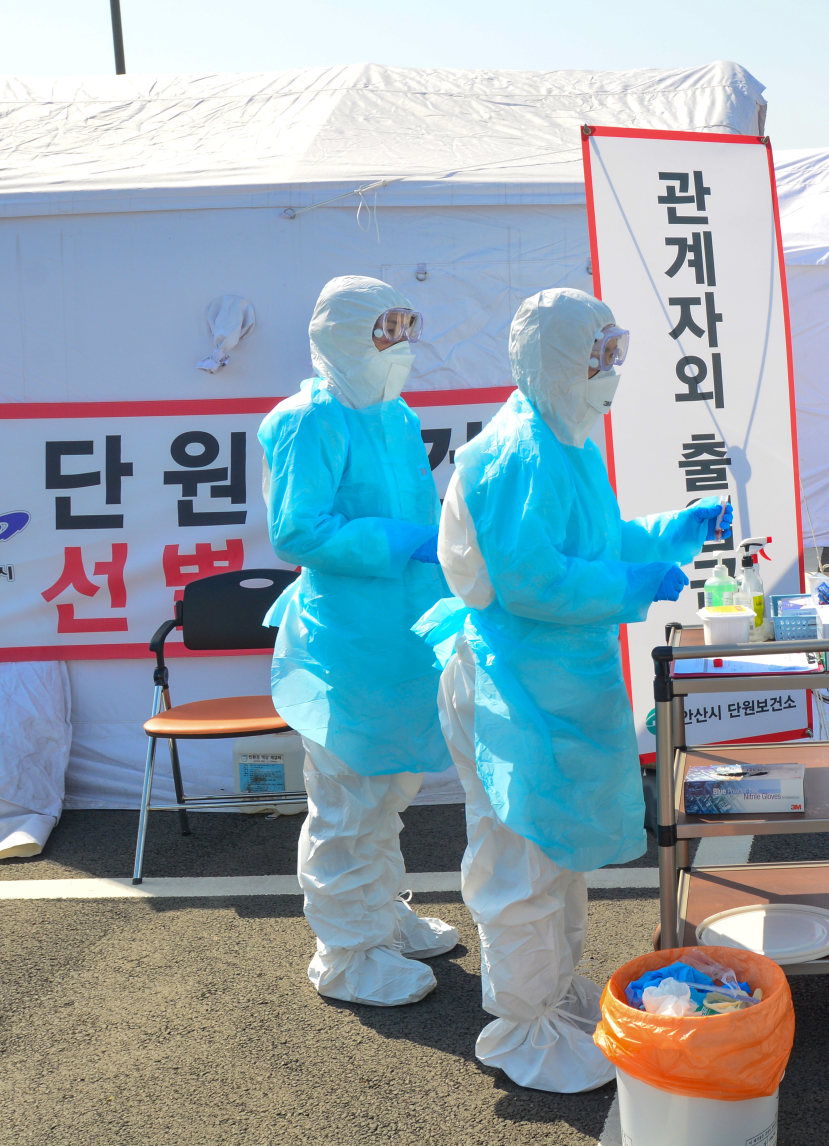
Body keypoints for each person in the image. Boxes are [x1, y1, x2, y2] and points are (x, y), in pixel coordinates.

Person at [415, 287, 731, 1091]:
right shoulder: (519, 452)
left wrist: (667, 535)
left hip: (551, 680)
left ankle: (551, 995)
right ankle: (521, 1028)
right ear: (557, 358)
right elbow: (533, 579)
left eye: (615, 349)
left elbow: (593, 540)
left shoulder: (565, 440)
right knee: (520, 863)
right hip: (513, 688)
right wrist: (634, 583)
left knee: (553, 856)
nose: (611, 367)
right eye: (598, 353)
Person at [259, 276, 458, 1007]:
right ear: (341, 333)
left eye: (406, 327)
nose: (401, 345)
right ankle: (346, 953)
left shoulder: (394, 415)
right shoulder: (308, 419)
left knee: (388, 789)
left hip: (399, 633)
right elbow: (297, 531)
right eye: (385, 329)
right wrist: (403, 540)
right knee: (346, 798)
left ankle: (380, 915)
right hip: (344, 640)